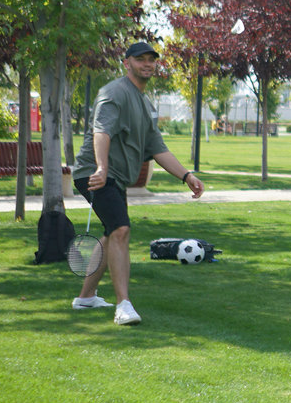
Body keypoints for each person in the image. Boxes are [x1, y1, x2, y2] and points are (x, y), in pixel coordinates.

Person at [71, 41, 205, 326]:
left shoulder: (145, 104)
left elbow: (158, 149)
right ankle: (123, 306)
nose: (147, 64)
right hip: (94, 174)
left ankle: (86, 297)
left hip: (115, 176)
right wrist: (102, 167)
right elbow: (101, 131)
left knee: (111, 234)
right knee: (121, 229)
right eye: (140, 59)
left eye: (151, 60)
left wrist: (186, 175)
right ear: (127, 63)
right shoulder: (114, 92)